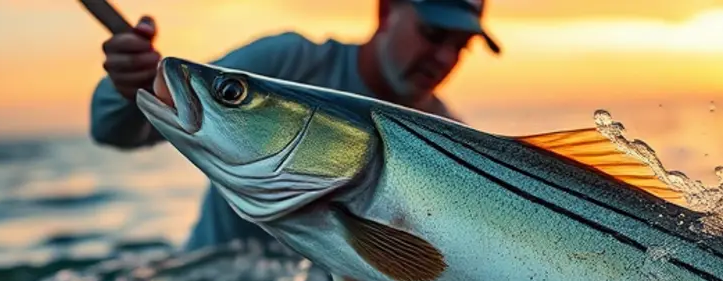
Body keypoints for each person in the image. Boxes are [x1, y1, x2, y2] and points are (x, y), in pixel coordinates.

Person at [89, 0, 501, 252]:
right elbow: (114, 129)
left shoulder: (450, 138)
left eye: (461, 46)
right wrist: (131, 85)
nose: (444, 58)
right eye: (433, 33)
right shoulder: (284, 64)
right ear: (387, 10)